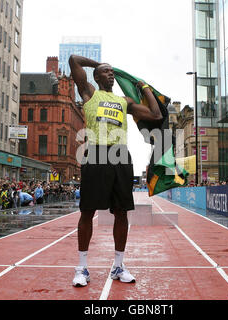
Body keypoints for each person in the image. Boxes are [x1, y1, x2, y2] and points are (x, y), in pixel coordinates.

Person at [69, 54, 162, 287]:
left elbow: (156, 114)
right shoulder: (89, 93)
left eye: (112, 71)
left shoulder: (124, 101)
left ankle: (119, 266)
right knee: (87, 212)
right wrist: (98, 63)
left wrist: (144, 87)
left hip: (120, 155)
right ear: (97, 76)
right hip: (97, 153)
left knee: (121, 213)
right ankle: (82, 268)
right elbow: (73, 60)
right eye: (106, 71)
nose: (110, 74)